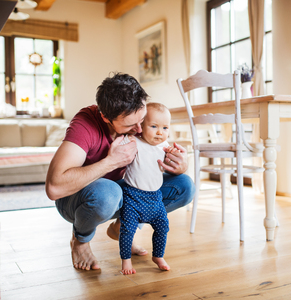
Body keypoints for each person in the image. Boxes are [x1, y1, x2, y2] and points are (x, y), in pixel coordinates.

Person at [45, 72, 195, 271]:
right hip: (77, 199)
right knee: (108, 193)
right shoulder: (85, 125)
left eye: (142, 120)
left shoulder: (139, 125)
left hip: (121, 192)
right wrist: (111, 162)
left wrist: (180, 165)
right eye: (131, 125)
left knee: (184, 186)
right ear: (106, 117)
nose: (140, 130)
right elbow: (54, 188)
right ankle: (80, 240)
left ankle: (122, 228)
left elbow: (155, 161)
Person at [119, 102, 177, 275]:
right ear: (141, 126)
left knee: (162, 226)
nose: (160, 132)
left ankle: (158, 255)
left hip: (155, 198)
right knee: (128, 229)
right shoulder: (133, 141)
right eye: (154, 126)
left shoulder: (164, 147)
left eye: (165, 128)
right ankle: (126, 261)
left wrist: (172, 157)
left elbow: (167, 166)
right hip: (133, 196)